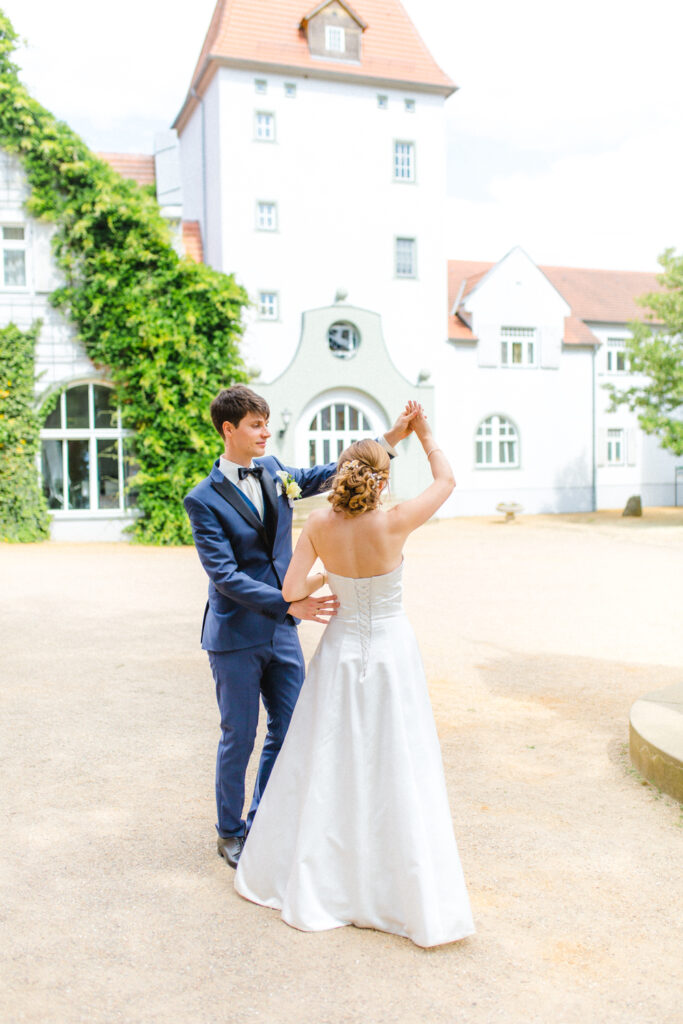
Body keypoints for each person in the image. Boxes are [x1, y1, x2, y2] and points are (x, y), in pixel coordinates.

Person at [234, 403, 475, 948]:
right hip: (391, 654)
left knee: (330, 759)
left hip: (339, 653)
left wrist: (322, 582)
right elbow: (448, 479)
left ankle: (324, 879)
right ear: (382, 478)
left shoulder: (318, 524)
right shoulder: (396, 520)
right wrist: (423, 431)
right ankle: (395, 886)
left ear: (342, 474)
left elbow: (292, 593)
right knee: (395, 758)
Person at [183, 385, 414, 869]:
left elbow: (329, 473)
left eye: (266, 422)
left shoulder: (272, 470)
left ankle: (265, 817)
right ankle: (230, 832)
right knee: (239, 735)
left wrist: (388, 441)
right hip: (236, 636)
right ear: (229, 430)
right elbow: (224, 577)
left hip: (282, 633)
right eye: (255, 424)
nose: (266, 431)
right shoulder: (201, 500)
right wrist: (292, 605)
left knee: (291, 729)